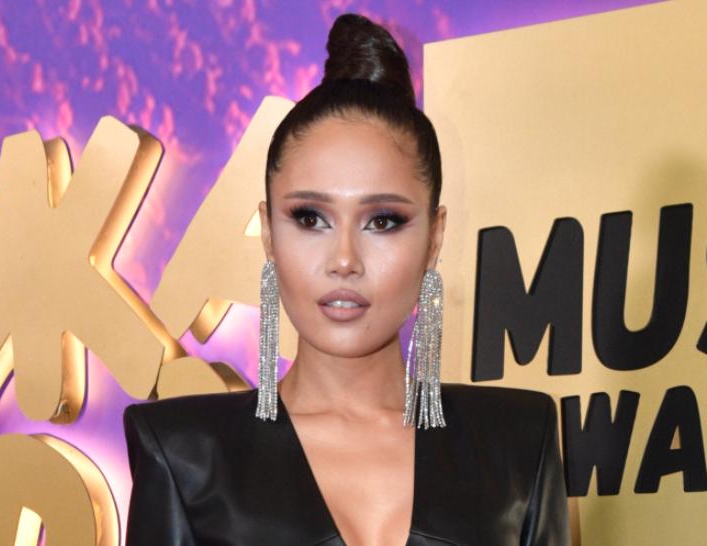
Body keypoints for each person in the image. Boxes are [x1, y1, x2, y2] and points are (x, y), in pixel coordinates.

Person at [123, 13, 571, 546]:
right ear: (269, 233)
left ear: (434, 237)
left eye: (382, 221)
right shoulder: (184, 454)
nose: (343, 260)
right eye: (310, 218)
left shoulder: (518, 442)